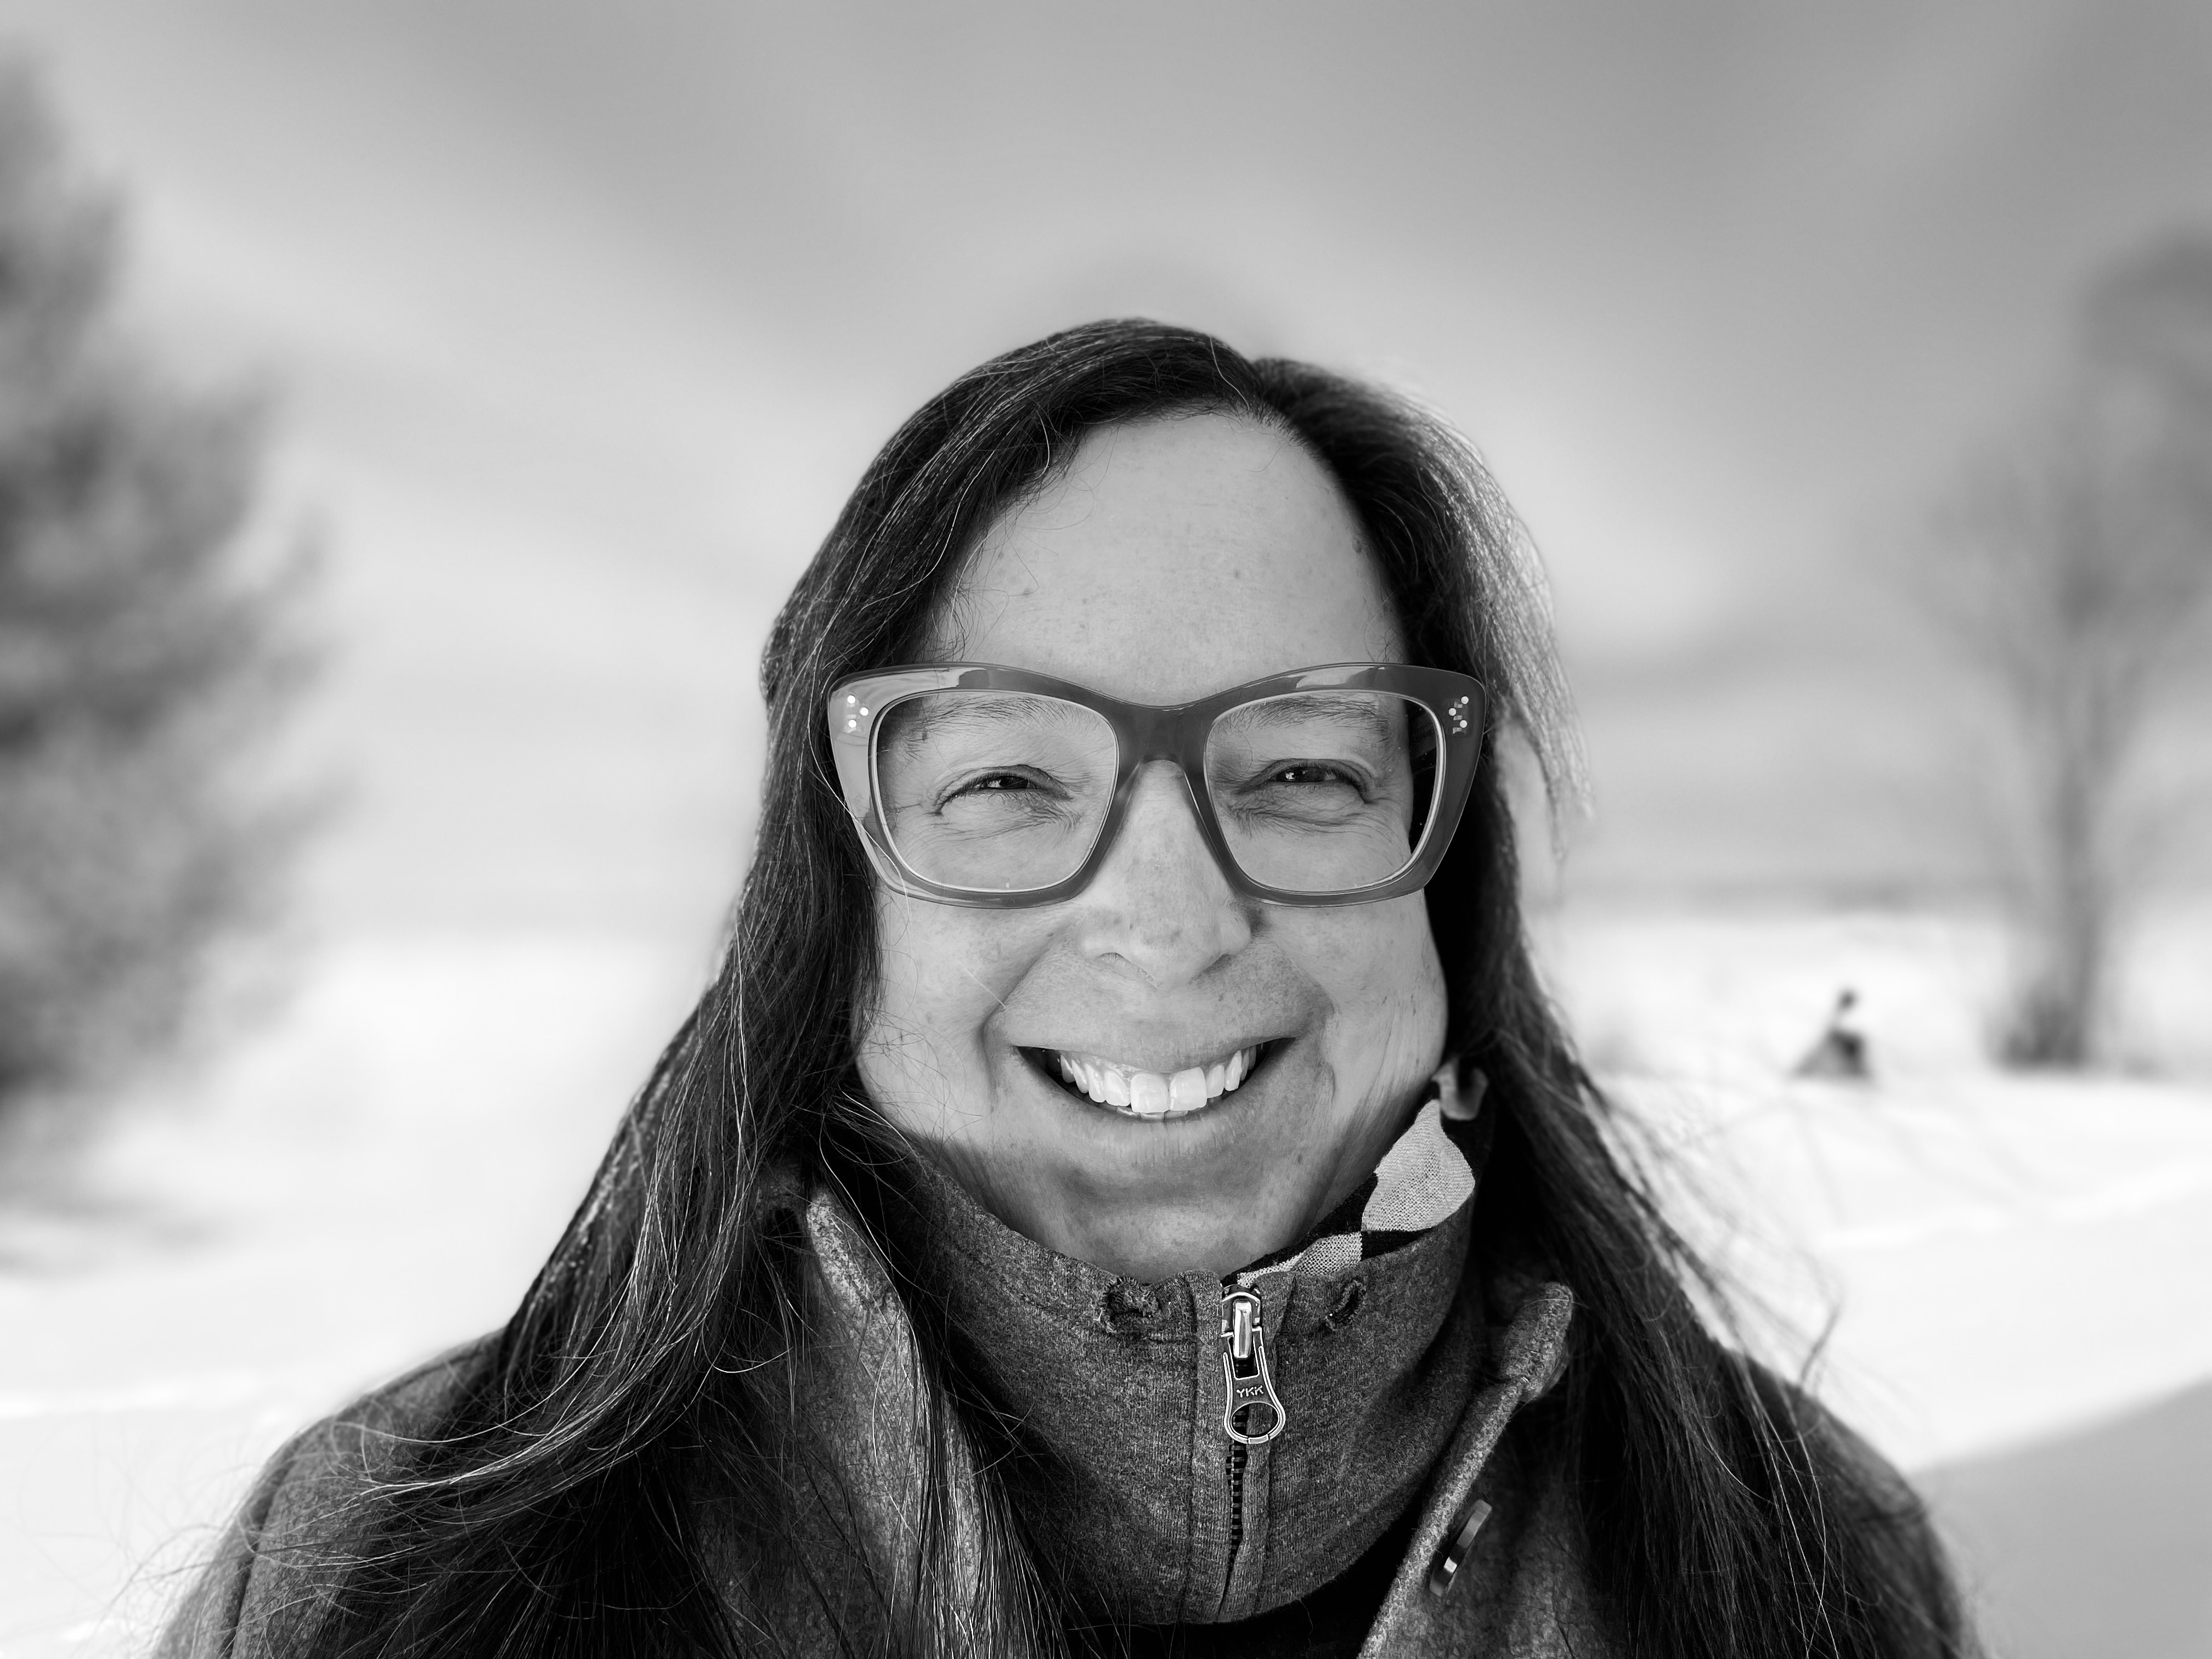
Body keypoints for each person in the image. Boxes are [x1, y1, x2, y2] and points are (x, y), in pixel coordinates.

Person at [158, 321, 1974, 1657]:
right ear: (839, 893)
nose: (1170, 922)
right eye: (1011, 780)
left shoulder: (1796, 1567)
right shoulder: (391, 1574)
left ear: (1450, 872)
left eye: (1304, 773)